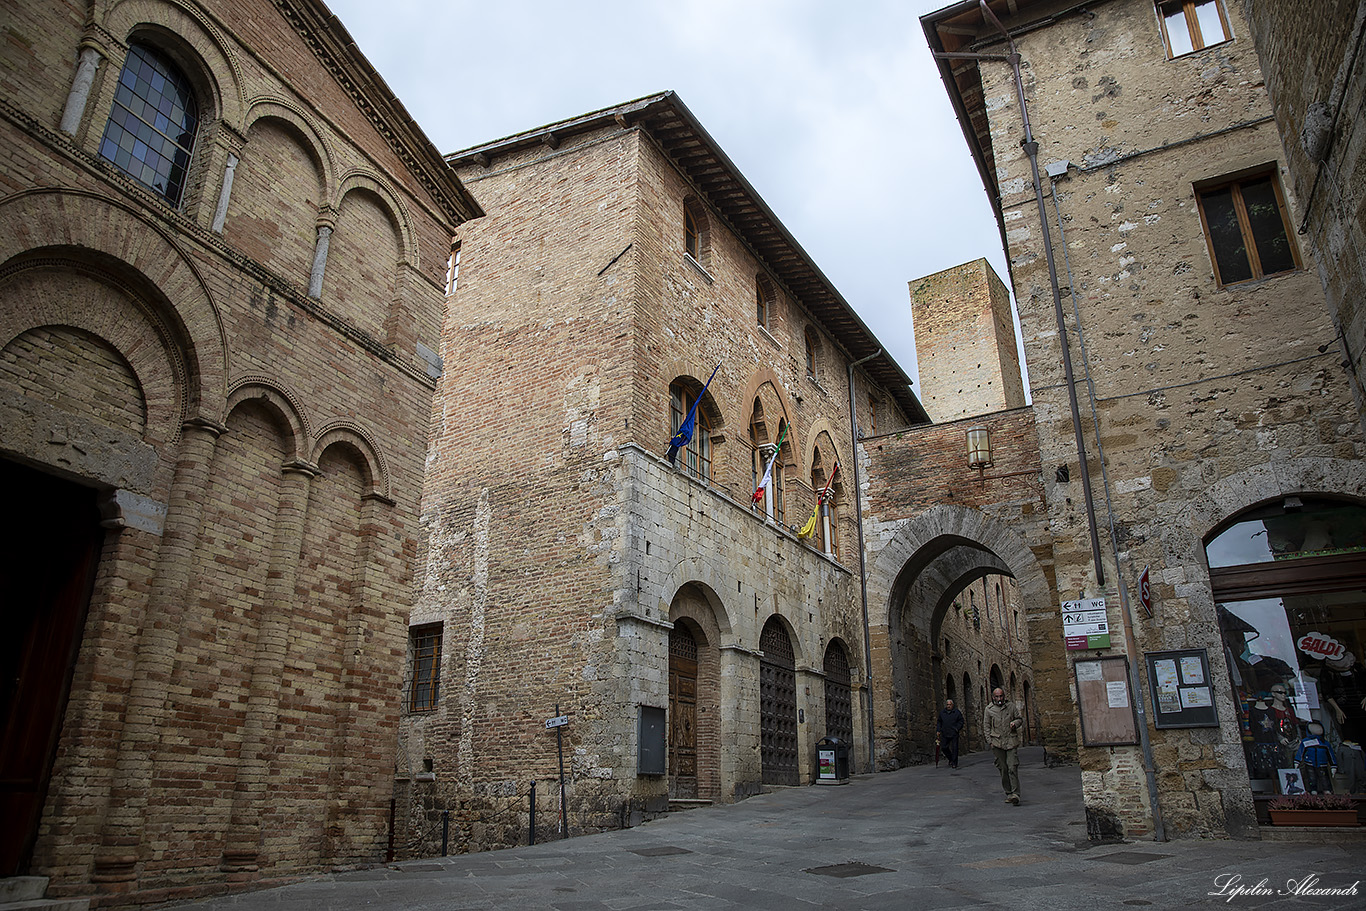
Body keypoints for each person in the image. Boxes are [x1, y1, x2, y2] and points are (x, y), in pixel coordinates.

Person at [984, 687, 1023, 804]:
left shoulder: (1010, 707)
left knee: (1012, 767)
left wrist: (1015, 723)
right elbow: (986, 726)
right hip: (997, 743)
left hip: (1011, 741)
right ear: (993, 697)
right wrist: (989, 741)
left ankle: (1016, 794)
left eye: (1001, 696)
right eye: (997, 696)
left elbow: (1019, 719)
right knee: (1003, 769)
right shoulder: (989, 710)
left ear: (1004, 696)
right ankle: (1009, 792)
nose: (999, 699)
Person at [937, 698, 965, 769]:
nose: (948, 706)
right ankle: (951, 758)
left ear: (952, 705)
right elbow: (939, 721)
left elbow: (961, 721)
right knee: (944, 747)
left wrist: (957, 728)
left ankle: (954, 763)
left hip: (953, 733)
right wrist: (938, 730)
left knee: (954, 748)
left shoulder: (956, 712)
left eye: (950, 705)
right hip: (945, 732)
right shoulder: (942, 713)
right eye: (947, 705)